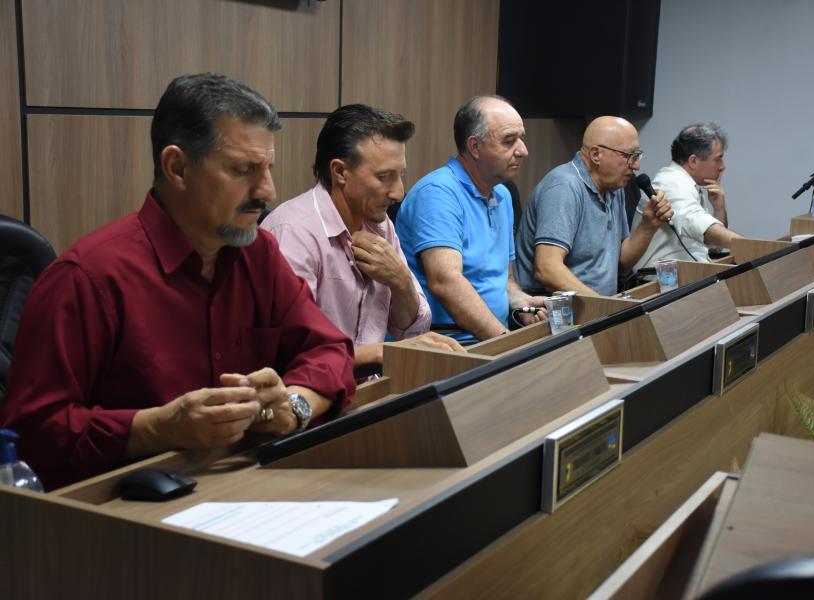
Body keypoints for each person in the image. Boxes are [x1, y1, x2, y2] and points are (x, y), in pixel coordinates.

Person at [0, 74, 356, 490]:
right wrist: (155, 427)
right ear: (177, 167)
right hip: (123, 509)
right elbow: (32, 433)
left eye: (267, 169)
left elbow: (330, 350)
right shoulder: (86, 278)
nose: (268, 192)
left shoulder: (258, 254)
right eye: (243, 169)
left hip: (245, 485)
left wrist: (293, 405)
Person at [261, 105, 464, 368]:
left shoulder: (380, 224)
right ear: (340, 172)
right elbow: (293, 354)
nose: (398, 193)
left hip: (370, 385)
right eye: (384, 177)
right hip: (312, 390)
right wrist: (379, 353)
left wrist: (401, 282)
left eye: (400, 175)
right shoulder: (293, 233)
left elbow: (412, 331)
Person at [395, 95, 547, 342]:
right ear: (475, 147)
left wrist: (522, 302)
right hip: (448, 345)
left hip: (490, 338)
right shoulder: (438, 193)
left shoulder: (502, 194)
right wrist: (507, 343)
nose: (523, 151)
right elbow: (445, 282)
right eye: (509, 141)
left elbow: (503, 279)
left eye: (522, 139)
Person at [515, 116, 673, 296]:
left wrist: (648, 226)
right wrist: (602, 306)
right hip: (558, 309)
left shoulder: (614, 187)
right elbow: (547, 269)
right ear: (596, 155)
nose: (636, 165)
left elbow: (621, 264)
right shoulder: (564, 187)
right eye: (629, 156)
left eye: (637, 155)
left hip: (595, 305)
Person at [633, 122, 743, 270]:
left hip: (688, 274)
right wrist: (751, 246)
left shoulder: (688, 184)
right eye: (718, 159)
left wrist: (719, 208)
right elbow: (702, 228)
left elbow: (714, 245)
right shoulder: (671, 183)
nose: (722, 166)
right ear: (693, 161)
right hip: (660, 279)